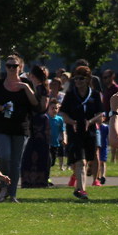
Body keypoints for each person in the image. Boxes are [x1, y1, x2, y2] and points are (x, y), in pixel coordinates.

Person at [0, 54, 39, 203]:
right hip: (2, 127)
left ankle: (12, 194)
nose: (11, 68)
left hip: (21, 128)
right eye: (8, 65)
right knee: (3, 155)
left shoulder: (26, 84)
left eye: (14, 66)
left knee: (16, 162)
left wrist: (26, 87)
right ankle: (3, 186)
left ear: (20, 67)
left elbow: (35, 104)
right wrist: (1, 108)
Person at [60, 65, 104, 201]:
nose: (78, 81)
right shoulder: (70, 95)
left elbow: (101, 115)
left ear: (88, 79)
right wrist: (72, 122)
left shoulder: (95, 95)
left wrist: (90, 122)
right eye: (76, 78)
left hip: (89, 133)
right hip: (74, 132)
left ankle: (78, 188)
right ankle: (81, 190)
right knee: (81, 161)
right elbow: (63, 113)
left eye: (81, 78)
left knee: (88, 160)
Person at [21, 65, 52, 188]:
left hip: (39, 123)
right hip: (34, 123)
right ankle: (31, 179)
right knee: (32, 151)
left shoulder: (41, 89)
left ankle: (39, 180)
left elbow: (43, 107)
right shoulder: (38, 88)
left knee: (38, 151)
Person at [48, 100, 67, 171]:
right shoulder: (46, 118)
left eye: (56, 108)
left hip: (55, 143)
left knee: (52, 162)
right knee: (47, 160)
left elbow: (62, 130)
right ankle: (46, 177)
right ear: (48, 108)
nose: (54, 110)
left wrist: (64, 139)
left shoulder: (60, 119)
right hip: (47, 143)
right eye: (52, 108)